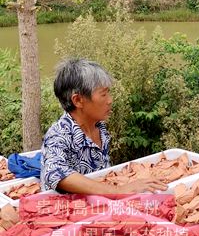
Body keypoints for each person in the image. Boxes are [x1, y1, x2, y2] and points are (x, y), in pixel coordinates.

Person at [41, 58, 168, 194]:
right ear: (78, 100)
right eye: (103, 94)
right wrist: (118, 191)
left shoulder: (99, 127)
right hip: (69, 209)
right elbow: (54, 172)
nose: (110, 100)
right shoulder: (59, 134)